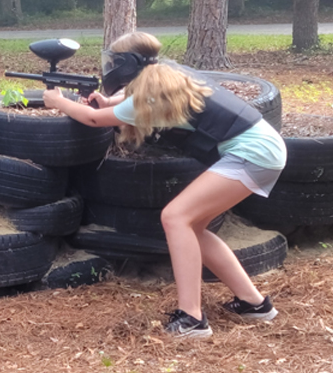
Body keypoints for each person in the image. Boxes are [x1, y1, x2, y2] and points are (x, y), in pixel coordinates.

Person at [43, 31, 287, 339]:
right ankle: (254, 304)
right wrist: (110, 101)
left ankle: (192, 318)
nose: (110, 67)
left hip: (252, 154)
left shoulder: (152, 95)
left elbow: (93, 119)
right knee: (194, 227)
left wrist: (58, 102)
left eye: (114, 62)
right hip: (264, 148)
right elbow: (133, 102)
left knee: (175, 217)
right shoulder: (169, 74)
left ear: (127, 64)